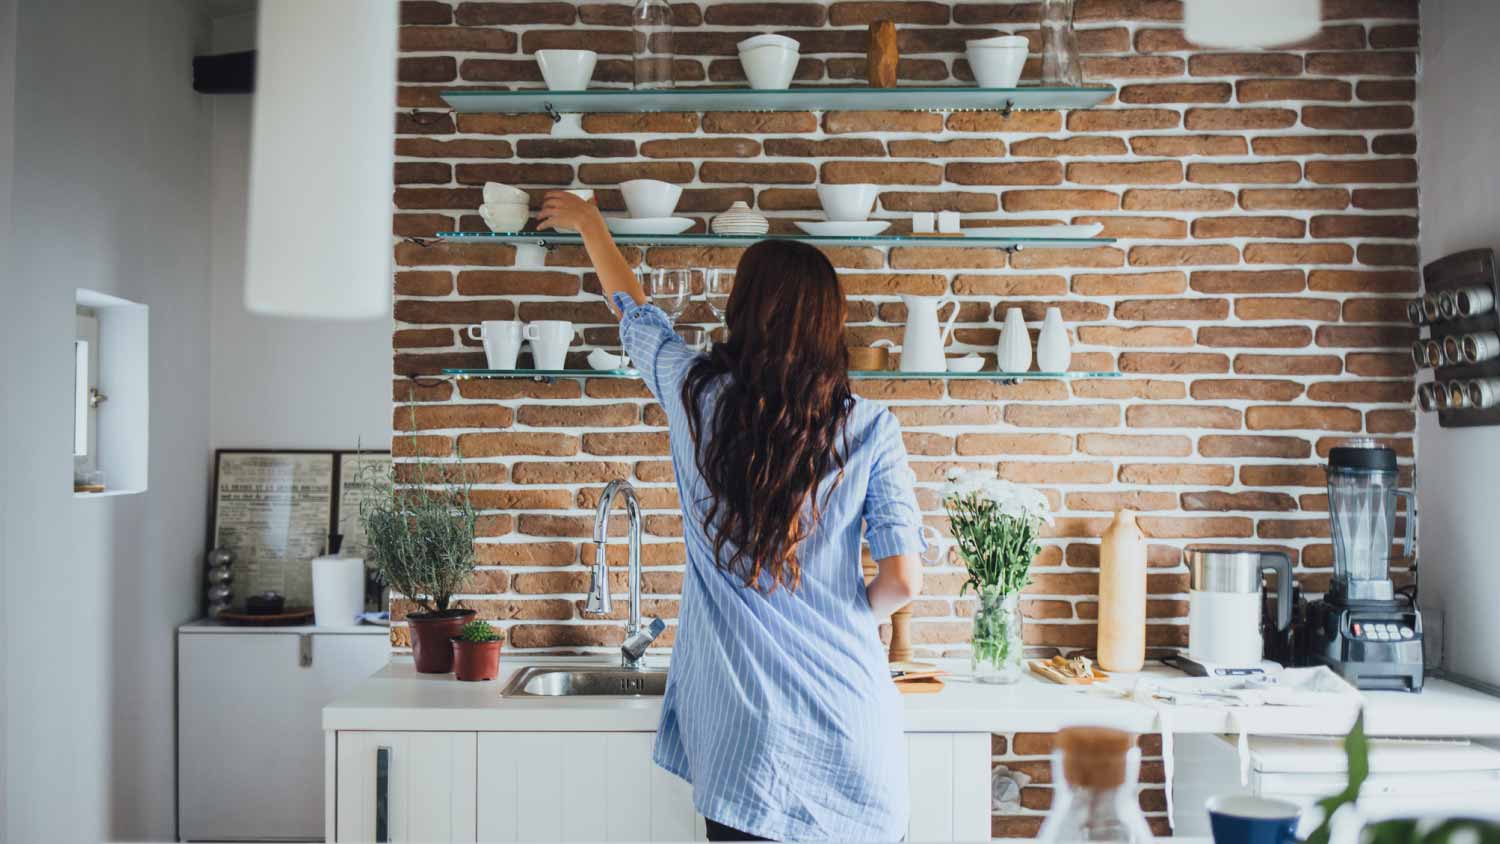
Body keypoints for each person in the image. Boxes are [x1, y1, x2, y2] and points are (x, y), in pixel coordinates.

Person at [538, 192, 926, 842]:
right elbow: (904, 581)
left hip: (751, 762)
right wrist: (844, 612)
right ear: (831, 324)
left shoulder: (696, 398)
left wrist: (590, 224)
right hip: (854, 742)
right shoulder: (870, 428)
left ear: (741, 311)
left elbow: (635, 315)